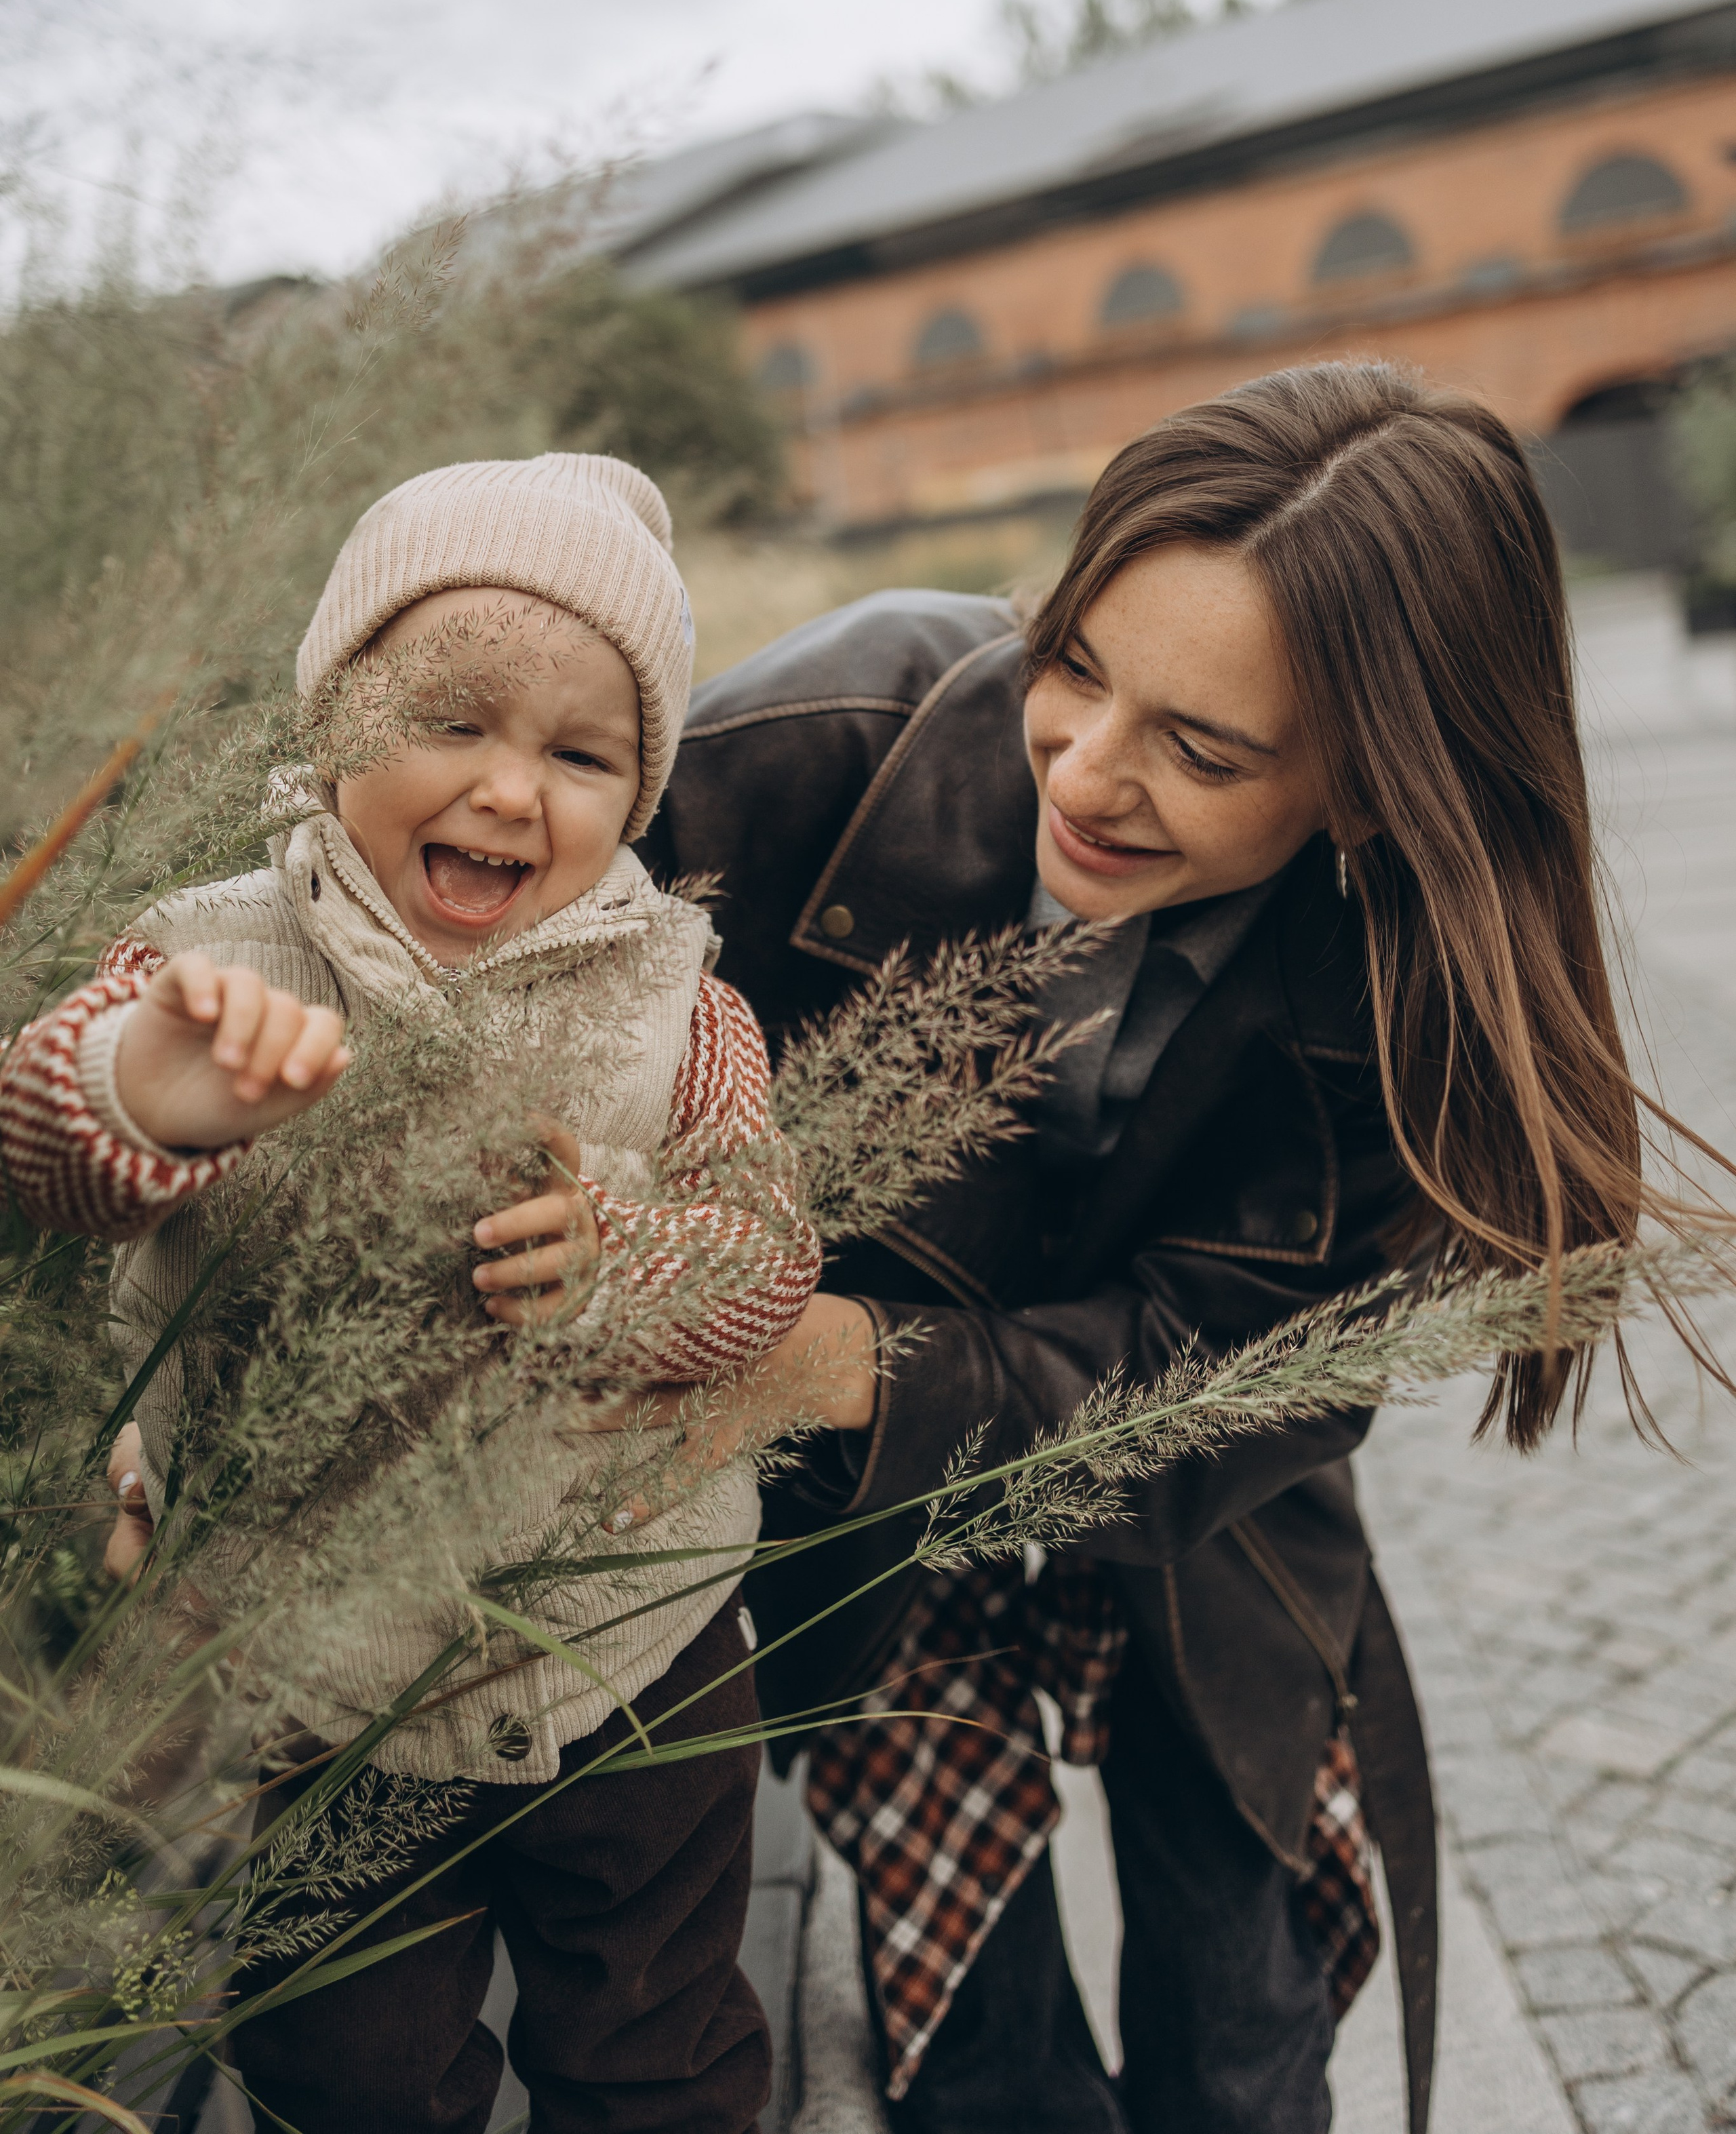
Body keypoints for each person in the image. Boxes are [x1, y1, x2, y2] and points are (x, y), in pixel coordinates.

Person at [642, 361, 1729, 2134]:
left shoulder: (1420, 984)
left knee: (1248, 2031)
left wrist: (844, 1357)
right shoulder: (811, 744)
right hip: (861, 1519)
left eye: (1206, 751)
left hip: (1195, 1506)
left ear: (1370, 792)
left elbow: (1225, 1389)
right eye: (1075, 663)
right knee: (976, 2069)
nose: (1088, 765)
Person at [0, 451, 825, 2134]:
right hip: (321, 1675)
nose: (513, 792)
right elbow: (47, 1143)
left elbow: (768, 1252)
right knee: (349, 2066)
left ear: (639, 789)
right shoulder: (210, 958)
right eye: (453, 722)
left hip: (633, 1642)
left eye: (582, 755)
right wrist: (153, 1093)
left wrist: (632, 1261)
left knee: (656, 2045)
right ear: (332, 724)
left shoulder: (680, 1001)